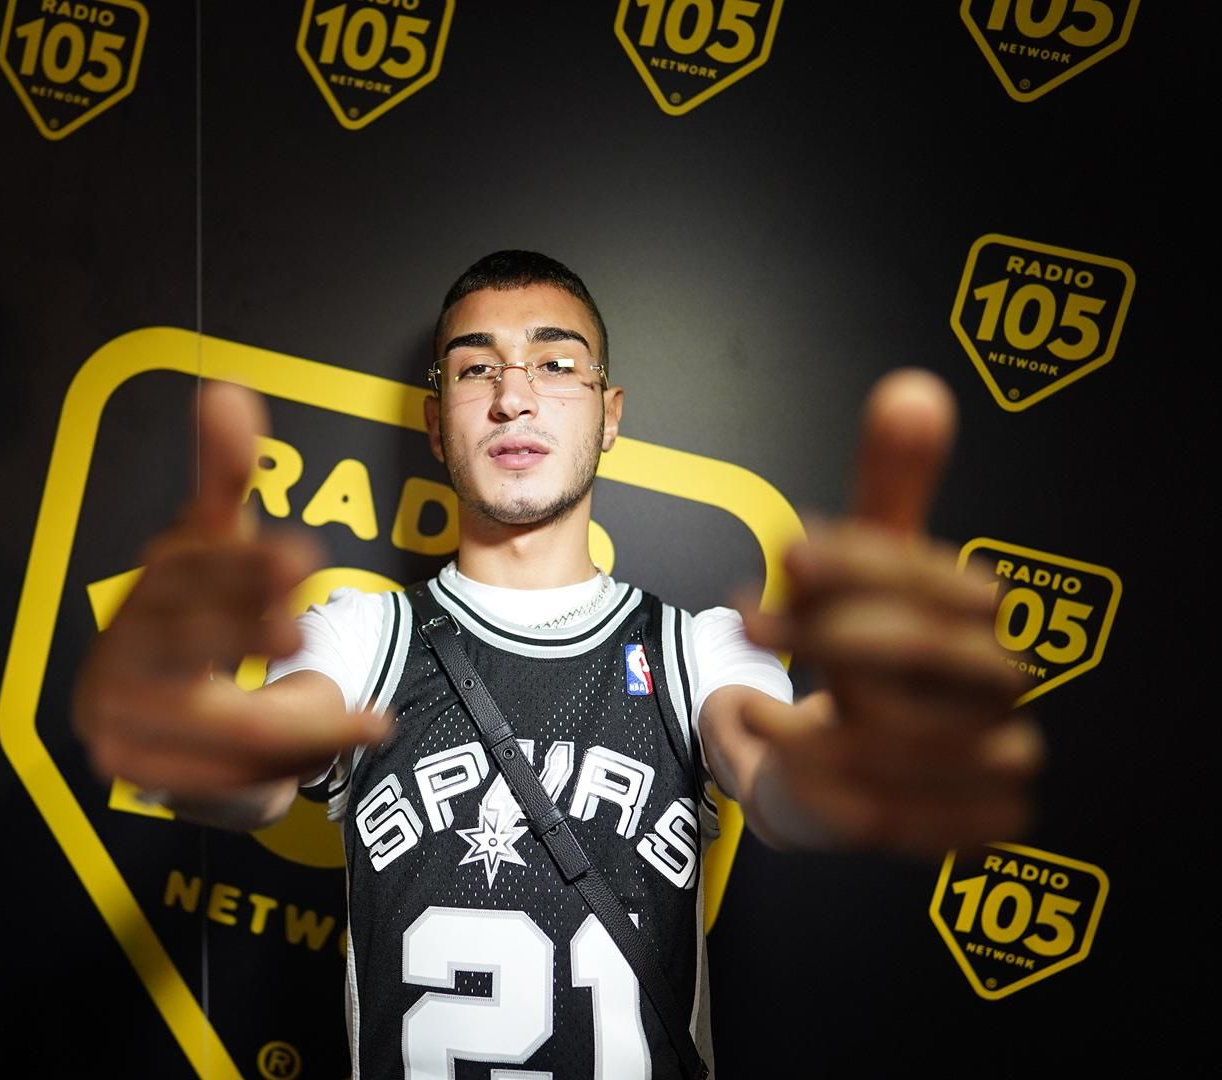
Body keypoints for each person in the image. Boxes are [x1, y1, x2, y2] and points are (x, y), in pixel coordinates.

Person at [73, 251, 1040, 1078]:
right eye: (475, 368)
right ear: (436, 421)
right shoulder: (366, 635)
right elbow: (258, 767)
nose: (513, 395)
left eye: (555, 362)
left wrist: (854, 757)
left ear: (609, 414)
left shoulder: (697, 647)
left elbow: (778, 776)